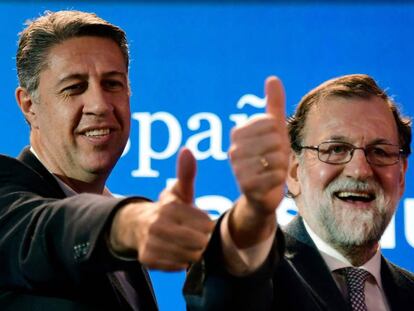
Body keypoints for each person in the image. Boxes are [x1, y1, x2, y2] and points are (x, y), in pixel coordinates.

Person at [0, 10, 215, 311]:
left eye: (112, 84)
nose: (100, 105)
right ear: (28, 105)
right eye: (74, 87)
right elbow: (45, 229)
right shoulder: (8, 197)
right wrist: (129, 224)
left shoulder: (120, 232)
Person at [184, 74, 414, 310]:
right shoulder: (259, 271)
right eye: (335, 149)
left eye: (380, 151)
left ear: (402, 175)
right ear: (293, 171)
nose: (360, 170)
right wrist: (251, 215)